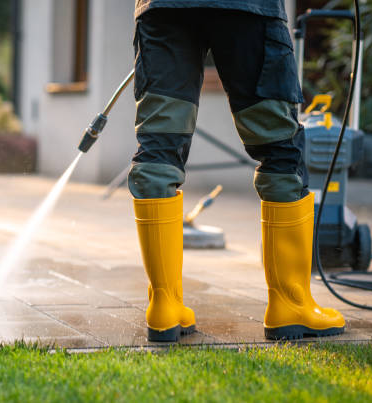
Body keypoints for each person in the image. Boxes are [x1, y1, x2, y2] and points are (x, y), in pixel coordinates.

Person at [129, 0, 345, 342]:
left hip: (163, 6)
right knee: (278, 149)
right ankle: (290, 305)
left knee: (159, 147)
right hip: (247, 7)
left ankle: (164, 306)